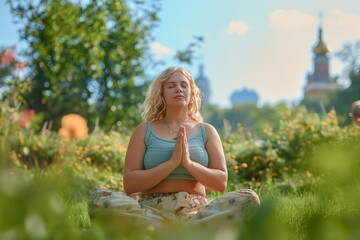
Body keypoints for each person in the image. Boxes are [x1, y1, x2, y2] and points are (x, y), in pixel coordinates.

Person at [88, 67, 260, 228]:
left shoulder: (206, 130)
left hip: (195, 211)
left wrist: (188, 163)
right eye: (171, 85)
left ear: (192, 93)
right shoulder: (143, 130)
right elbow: (130, 185)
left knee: (249, 198)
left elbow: (220, 182)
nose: (179, 89)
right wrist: (171, 163)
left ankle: (165, 233)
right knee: (100, 198)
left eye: (184, 85)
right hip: (150, 211)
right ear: (161, 93)